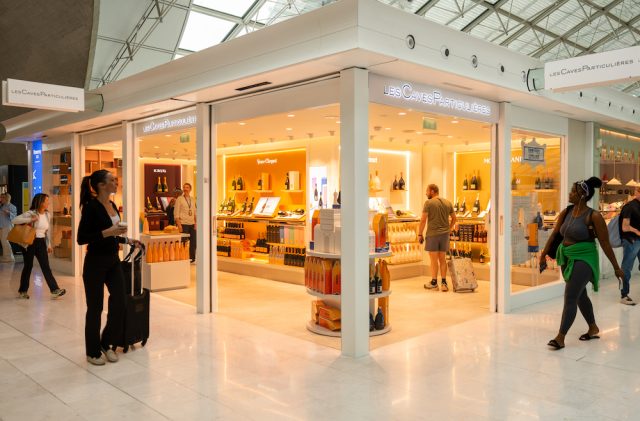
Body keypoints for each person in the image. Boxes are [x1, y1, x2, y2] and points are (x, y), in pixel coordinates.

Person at [539, 177, 624, 350]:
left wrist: (617, 268)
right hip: (567, 255)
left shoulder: (594, 216)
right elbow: (555, 234)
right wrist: (543, 255)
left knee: (570, 296)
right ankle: (593, 328)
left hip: (585, 257)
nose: (570, 193)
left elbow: (605, 244)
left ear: (582, 195)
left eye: (573, 191)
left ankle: (560, 337)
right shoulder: (567, 212)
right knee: (580, 295)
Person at [77, 169, 142, 366]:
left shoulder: (112, 204)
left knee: (120, 302)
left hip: (113, 260)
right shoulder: (91, 207)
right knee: (95, 308)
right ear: (101, 185)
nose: (116, 182)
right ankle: (92, 352)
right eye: (112, 180)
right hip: (95, 263)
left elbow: (112, 234)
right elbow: (82, 238)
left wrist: (126, 239)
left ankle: (107, 343)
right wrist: (109, 232)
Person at [12, 193, 66, 299]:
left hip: (41, 242)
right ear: (40, 202)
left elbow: (46, 231)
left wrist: (48, 245)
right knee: (28, 266)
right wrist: (30, 219)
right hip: (29, 242)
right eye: (46, 201)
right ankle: (23, 291)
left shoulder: (47, 215)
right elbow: (14, 220)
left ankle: (55, 290)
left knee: (46, 266)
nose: (48, 203)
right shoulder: (31, 213)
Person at [418, 184, 456, 292]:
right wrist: (449, 229)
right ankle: (444, 283)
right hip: (445, 235)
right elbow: (454, 218)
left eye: (427, 191)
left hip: (433, 234)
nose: (426, 193)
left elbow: (423, 220)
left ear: (432, 191)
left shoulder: (428, 203)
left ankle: (434, 283)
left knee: (433, 259)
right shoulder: (448, 202)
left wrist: (420, 234)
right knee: (442, 259)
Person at [618, 186, 640, 305]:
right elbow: (625, 227)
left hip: (637, 240)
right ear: (637, 192)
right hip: (631, 241)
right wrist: (637, 231)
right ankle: (624, 295)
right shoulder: (629, 207)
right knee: (626, 268)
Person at [174, 182, 196, 263]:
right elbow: (176, 213)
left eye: (187, 187)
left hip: (192, 224)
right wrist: (179, 225)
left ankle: (192, 258)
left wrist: (196, 223)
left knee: (194, 242)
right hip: (183, 224)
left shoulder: (193, 199)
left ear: (190, 189)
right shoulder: (179, 199)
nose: (185, 189)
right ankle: (183, 258)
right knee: (183, 242)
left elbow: (194, 212)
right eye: (184, 187)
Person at [0, 193, 17, 262]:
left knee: (5, 241)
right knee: (3, 241)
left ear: (7, 198)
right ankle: (6, 257)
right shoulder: (2, 206)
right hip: (2, 226)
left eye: (2, 197)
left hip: (7, 226)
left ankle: (9, 258)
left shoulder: (12, 206)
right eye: (1, 197)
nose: (1, 199)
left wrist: (9, 213)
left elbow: (15, 217)